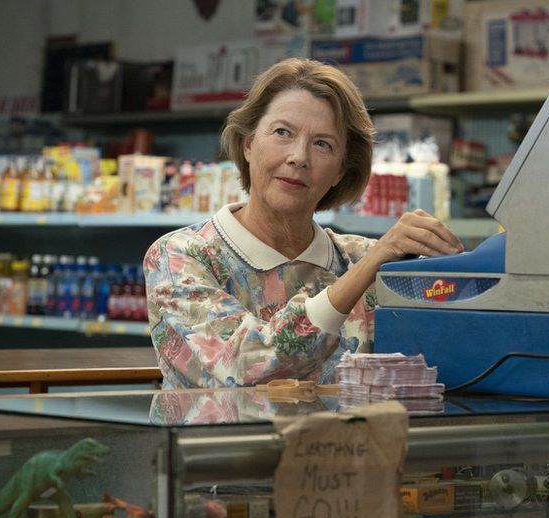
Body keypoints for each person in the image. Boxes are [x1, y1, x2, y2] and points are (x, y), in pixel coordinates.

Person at [144, 57, 463, 389]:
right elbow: (245, 366)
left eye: (322, 144)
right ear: (248, 144)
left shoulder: (364, 262)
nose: (299, 157)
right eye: (283, 132)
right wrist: (365, 270)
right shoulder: (180, 257)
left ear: (341, 170)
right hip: (224, 443)